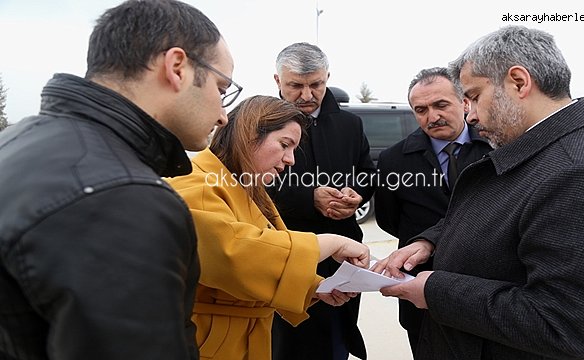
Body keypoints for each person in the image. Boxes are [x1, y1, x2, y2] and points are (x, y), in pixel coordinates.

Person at [373, 25, 584, 360]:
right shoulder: (539, 149)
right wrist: (429, 241)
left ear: (518, 82)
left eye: (473, 97)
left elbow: (566, 323)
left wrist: (433, 290)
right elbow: (495, 214)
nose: (470, 115)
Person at [0, 1, 239, 359]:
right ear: (177, 68)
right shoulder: (123, 199)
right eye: (221, 89)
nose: (223, 116)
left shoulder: (17, 142)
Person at [165, 95, 370, 360]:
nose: (291, 160)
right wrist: (332, 242)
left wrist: (314, 287)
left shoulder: (247, 186)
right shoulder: (196, 183)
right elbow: (238, 256)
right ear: (248, 133)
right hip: (209, 344)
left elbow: (263, 256)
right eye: (285, 145)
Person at [374, 67, 492, 356]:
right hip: (421, 299)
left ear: (464, 102)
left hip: (487, 291)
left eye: (441, 105)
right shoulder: (393, 160)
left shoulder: (496, 147)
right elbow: (390, 220)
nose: (432, 116)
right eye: (421, 109)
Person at [268, 42, 375, 360]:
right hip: (286, 254)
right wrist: (307, 197)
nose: (306, 95)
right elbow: (247, 185)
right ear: (277, 81)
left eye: (315, 84)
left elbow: (368, 173)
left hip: (344, 256)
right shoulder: (258, 125)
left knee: (337, 341)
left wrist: (357, 194)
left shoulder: (349, 125)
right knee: (286, 343)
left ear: (327, 77)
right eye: (295, 86)